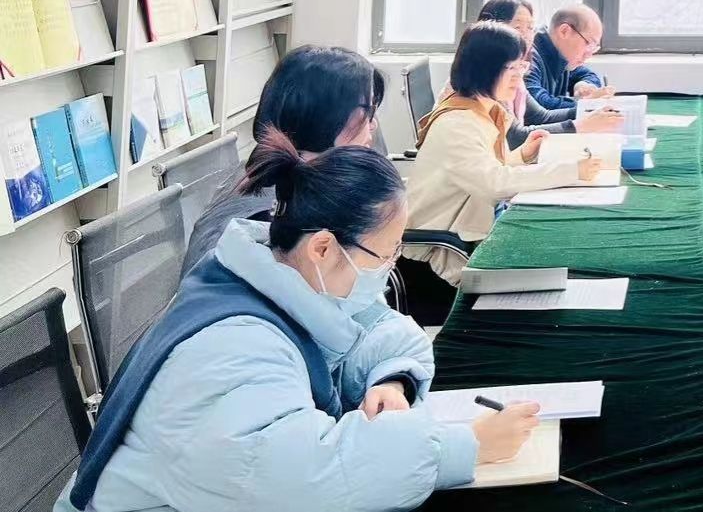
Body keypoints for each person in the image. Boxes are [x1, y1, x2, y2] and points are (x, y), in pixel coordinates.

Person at [58, 132, 540, 512]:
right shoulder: (228, 352)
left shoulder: (285, 277)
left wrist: (392, 380)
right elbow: (310, 479)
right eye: (386, 254)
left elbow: (377, 329)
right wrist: (464, 447)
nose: (389, 268)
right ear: (324, 247)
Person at [405, 21, 610, 296]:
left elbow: (486, 170)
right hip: (444, 252)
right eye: (510, 69)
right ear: (485, 69)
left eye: (521, 67)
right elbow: (494, 183)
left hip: (472, 233)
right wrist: (572, 171)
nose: (518, 78)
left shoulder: (486, 110)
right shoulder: (457, 123)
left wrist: (523, 154)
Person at [181, 45, 383, 277]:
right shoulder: (267, 221)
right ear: (324, 115)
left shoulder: (284, 175)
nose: (373, 124)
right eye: (368, 111)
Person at [463, 0, 620, 145]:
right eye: (517, 28)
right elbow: (514, 137)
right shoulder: (487, 74)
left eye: (530, 28)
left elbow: (541, 116)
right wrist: (581, 123)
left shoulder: (517, 67)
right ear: (491, 30)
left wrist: (591, 112)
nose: (526, 36)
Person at [527, 4, 614, 116]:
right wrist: (587, 104)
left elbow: (588, 75)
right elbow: (538, 106)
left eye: (594, 47)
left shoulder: (563, 54)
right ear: (564, 31)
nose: (589, 54)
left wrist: (583, 85)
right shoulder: (527, 57)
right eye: (589, 43)